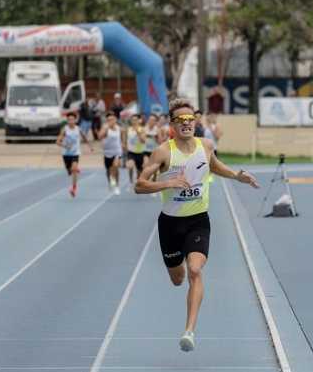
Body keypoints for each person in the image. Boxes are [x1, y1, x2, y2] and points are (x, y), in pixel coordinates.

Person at [134, 99, 259, 352]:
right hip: (169, 224)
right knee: (178, 279)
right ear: (172, 124)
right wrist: (167, 184)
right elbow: (139, 185)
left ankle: (189, 331)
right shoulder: (163, 152)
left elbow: (214, 165)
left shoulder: (206, 145)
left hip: (198, 221)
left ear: (196, 122)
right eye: (181, 121)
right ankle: (177, 265)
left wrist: (237, 176)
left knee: (195, 271)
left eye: (190, 120)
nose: (187, 124)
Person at [56, 113, 93, 197]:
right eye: (69, 120)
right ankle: (73, 169)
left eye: (72, 119)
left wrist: (90, 146)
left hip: (75, 153)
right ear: (67, 121)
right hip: (66, 154)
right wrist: (65, 146)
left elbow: (84, 137)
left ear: (75, 120)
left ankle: (74, 188)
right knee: (70, 172)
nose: (71, 121)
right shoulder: (64, 129)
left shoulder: (78, 129)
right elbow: (57, 142)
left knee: (74, 169)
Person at [98, 112, 123, 195]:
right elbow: (100, 137)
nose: (111, 121)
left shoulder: (119, 128)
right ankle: (111, 182)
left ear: (115, 120)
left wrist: (124, 145)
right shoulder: (105, 128)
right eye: (109, 120)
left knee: (115, 166)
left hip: (117, 152)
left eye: (112, 119)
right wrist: (106, 128)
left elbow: (121, 138)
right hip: (107, 152)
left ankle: (117, 186)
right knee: (109, 170)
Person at [124, 114, 147, 188]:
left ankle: (137, 180)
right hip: (131, 152)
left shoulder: (142, 129)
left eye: (136, 120)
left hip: (140, 152)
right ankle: (130, 181)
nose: (134, 121)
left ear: (139, 121)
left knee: (139, 171)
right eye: (133, 120)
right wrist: (124, 146)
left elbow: (143, 141)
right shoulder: (128, 129)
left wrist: (138, 132)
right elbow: (125, 139)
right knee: (130, 166)